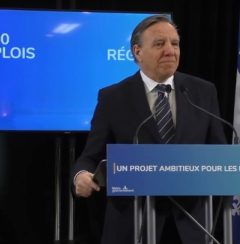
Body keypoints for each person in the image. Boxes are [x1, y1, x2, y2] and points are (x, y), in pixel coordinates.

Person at [72, 14, 227, 244]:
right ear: (137, 52)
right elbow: (90, 156)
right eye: (159, 44)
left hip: (191, 225)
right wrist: (80, 175)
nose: (170, 51)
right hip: (132, 223)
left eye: (174, 44)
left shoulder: (202, 92)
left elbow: (220, 152)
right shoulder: (113, 97)